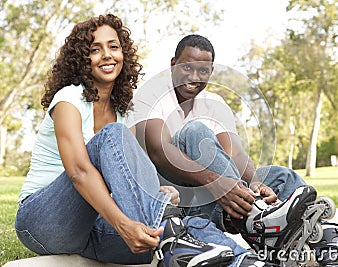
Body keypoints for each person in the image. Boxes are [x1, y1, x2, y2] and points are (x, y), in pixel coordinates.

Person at [14, 15, 275, 267]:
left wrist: (160, 196)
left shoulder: (124, 112)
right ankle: (179, 234)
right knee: (114, 136)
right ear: (82, 59)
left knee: (181, 223)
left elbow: (133, 176)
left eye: (113, 47)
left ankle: (245, 258)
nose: (107, 55)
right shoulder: (69, 100)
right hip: (45, 221)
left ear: (123, 54)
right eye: (95, 49)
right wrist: (125, 225)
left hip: (96, 227)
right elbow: (80, 172)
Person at [130, 34, 338, 266]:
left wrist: (255, 183)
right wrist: (217, 182)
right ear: (173, 64)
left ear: (211, 73)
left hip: (222, 198)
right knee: (194, 133)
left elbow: (234, 151)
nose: (195, 76)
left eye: (203, 71)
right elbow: (158, 150)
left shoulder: (214, 102)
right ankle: (259, 222)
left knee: (281, 178)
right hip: (178, 198)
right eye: (188, 67)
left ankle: (328, 244)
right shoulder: (151, 95)